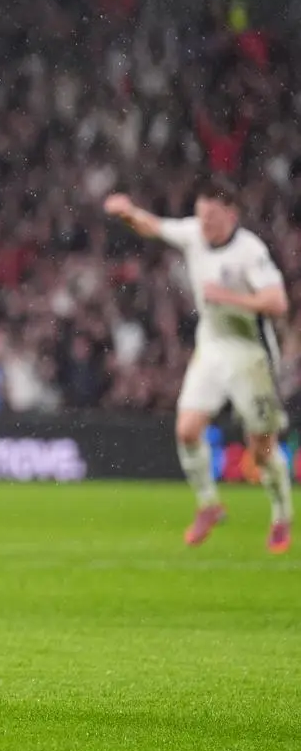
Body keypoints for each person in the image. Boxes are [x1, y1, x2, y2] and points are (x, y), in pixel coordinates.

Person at [104, 179, 291, 553]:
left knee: (261, 451)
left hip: (250, 355)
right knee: (187, 430)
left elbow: (277, 303)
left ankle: (281, 513)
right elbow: (153, 226)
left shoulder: (249, 252)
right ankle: (209, 504)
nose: (205, 225)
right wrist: (127, 212)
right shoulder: (193, 232)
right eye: (202, 216)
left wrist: (230, 297)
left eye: (213, 219)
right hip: (212, 347)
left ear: (232, 215)